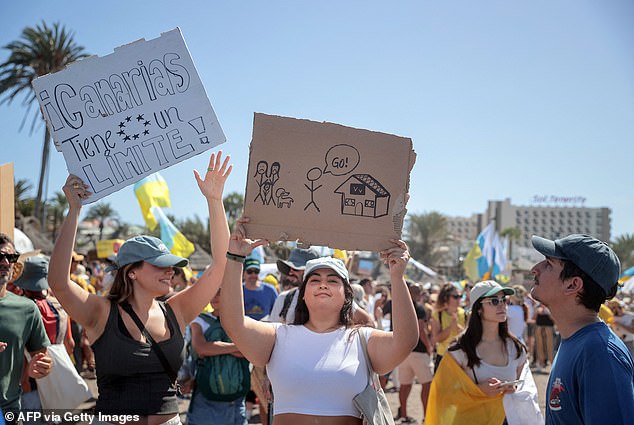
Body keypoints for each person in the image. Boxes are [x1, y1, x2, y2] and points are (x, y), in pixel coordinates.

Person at [47, 152, 231, 424]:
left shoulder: (176, 310)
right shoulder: (101, 312)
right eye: (159, 265)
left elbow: (220, 266)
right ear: (131, 272)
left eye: (172, 265)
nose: (170, 271)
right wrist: (74, 210)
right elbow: (59, 283)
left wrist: (215, 201)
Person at [219, 217, 418, 425]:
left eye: (332, 280)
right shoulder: (278, 336)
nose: (323, 284)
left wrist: (397, 277)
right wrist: (235, 258)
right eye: (315, 280)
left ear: (346, 297)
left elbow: (405, 341)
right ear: (303, 294)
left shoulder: (362, 339)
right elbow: (234, 323)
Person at [530, 234, 634, 424]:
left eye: (548, 264)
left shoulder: (600, 354)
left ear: (573, 284)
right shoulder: (577, 340)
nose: (534, 269)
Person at [425, 280, 531, 424]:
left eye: (504, 300)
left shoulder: (516, 348)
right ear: (478, 309)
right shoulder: (459, 350)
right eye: (494, 301)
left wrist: (514, 387)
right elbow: (442, 394)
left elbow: (526, 388)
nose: (502, 305)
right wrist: (478, 390)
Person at [0, 234, 53, 416]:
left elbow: (41, 357)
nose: (6, 262)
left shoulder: (27, 308)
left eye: (11, 257)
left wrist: (42, 367)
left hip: (9, 411)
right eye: (0, 256)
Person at [14, 256, 76, 411]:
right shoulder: (59, 305)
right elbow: (70, 344)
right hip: (57, 366)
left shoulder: (22, 308)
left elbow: (21, 349)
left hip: (30, 376)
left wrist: (24, 379)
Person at [187, 287, 250, 425]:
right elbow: (201, 348)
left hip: (235, 400)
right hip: (206, 398)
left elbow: (249, 352)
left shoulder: (243, 321)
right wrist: (237, 347)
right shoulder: (199, 320)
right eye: (212, 292)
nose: (214, 297)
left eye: (220, 292)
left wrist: (214, 348)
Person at [395, 282, 434, 424]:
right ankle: (426, 417)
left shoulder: (399, 307)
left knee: (405, 385)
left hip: (403, 351)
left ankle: (404, 416)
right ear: (418, 293)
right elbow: (421, 330)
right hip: (419, 351)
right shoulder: (419, 308)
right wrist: (429, 346)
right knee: (427, 384)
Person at [430, 283, 466, 371]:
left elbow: (468, 336)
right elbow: (437, 338)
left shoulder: (464, 313)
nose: (459, 299)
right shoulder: (437, 314)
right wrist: (451, 327)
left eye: (460, 296)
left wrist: (457, 327)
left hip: (461, 357)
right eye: (455, 296)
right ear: (446, 298)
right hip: (443, 356)